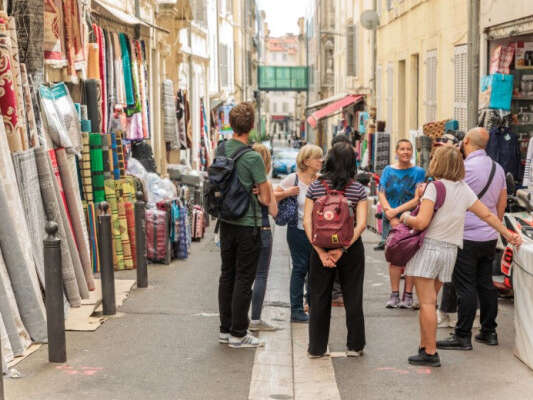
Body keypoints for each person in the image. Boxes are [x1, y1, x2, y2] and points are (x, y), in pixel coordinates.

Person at [400, 146, 521, 367]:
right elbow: (487, 214)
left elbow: (421, 222)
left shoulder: (433, 188)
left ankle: (429, 351)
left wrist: (406, 217)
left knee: (426, 303)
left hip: (429, 249)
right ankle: (425, 345)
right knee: (432, 300)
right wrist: (508, 234)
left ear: (439, 163)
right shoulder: (463, 188)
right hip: (450, 251)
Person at [437, 128, 507, 351]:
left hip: (465, 234)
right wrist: (494, 226)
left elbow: (446, 195)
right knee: (485, 284)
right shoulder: (499, 168)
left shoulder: (463, 168)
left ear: (465, 140)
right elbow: (501, 205)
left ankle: (463, 334)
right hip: (488, 234)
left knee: (465, 286)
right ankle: (489, 331)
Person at [304, 142, 368, 358]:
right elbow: (360, 225)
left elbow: (307, 223)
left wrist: (321, 252)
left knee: (319, 297)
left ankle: (317, 348)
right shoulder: (358, 189)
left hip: (320, 246)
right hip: (350, 250)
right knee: (353, 296)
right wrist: (342, 249)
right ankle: (355, 345)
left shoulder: (315, 187)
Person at [218, 102, 271, 348]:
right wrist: (255, 190)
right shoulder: (252, 157)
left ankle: (225, 329)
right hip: (247, 223)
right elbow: (266, 198)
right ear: (251, 126)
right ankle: (239, 333)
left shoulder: (221, 149)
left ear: (230, 124)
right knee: (244, 278)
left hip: (226, 221)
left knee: (227, 275)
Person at [276, 144, 324, 322]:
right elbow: (272, 196)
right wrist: (287, 192)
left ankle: (310, 305)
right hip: (297, 230)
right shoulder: (293, 179)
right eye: (317, 158)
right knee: (300, 268)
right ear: (306, 161)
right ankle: (296, 310)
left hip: (318, 233)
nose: (321, 160)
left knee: (315, 270)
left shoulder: (321, 181)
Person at [378, 139, 426, 309]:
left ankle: (408, 295)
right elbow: (381, 192)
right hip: (392, 218)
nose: (405, 152)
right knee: (395, 257)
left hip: (412, 218)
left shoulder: (419, 172)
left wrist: (397, 213)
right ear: (396, 152)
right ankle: (394, 294)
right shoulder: (387, 170)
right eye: (402, 149)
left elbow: (418, 199)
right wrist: (389, 213)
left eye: (409, 149)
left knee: (411, 256)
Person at [249, 144, 279, 331]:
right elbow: (273, 210)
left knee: (243, 275)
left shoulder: (244, 181)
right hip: (263, 229)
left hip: (244, 229)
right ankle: (255, 319)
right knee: (260, 275)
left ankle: (237, 318)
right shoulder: (265, 183)